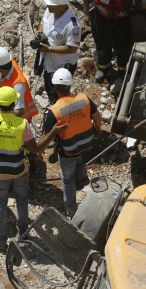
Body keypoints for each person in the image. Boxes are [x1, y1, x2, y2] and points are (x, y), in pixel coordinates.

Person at [0, 87, 68, 252]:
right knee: (21, 200)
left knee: (0, 202)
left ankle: (0, 240)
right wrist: (52, 133)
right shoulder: (23, 124)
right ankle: (23, 235)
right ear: (14, 104)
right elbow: (35, 149)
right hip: (19, 169)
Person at [38, 69, 102, 216]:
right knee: (78, 156)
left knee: (67, 179)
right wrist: (98, 130)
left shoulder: (54, 111)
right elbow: (96, 116)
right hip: (87, 142)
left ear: (54, 88)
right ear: (70, 86)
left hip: (68, 149)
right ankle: (82, 178)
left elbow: (46, 135)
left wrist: (39, 151)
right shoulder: (83, 98)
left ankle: (72, 210)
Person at [83, 0, 143, 84]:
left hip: (123, 18)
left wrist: (140, 8)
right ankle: (104, 68)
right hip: (102, 18)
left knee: (123, 46)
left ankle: (122, 71)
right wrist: (86, 12)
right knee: (102, 44)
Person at [36, 0, 82, 105]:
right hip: (49, 61)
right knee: (49, 88)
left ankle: (60, 115)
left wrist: (49, 49)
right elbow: (42, 22)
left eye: (50, 4)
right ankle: (54, 109)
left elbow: (72, 49)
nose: (47, 6)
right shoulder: (50, 11)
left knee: (59, 95)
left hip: (63, 64)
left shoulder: (72, 24)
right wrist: (39, 32)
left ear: (61, 6)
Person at [0, 46, 39, 121]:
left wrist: (0, 115)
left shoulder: (18, 85)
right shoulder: (9, 64)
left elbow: (19, 111)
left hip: (20, 120)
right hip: (8, 109)